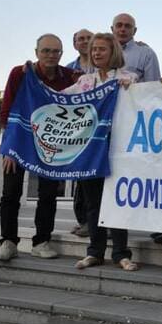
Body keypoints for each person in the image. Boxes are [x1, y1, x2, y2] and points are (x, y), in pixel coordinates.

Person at [0, 34, 79, 262]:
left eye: (56, 51)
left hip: (50, 143)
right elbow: (6, 110)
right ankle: (8, 242)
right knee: (11, 192)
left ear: (62, 54)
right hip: (19, 141)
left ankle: (42, 241)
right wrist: (9, 146)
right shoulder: (20, 74)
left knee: (48, 194)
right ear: (36, 52)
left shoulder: (70, 77)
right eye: (46, 50)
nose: (51, 55)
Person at [67, 33, 139, 272]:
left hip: (117, 148)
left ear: (113, 52)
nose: (96, 53)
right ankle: (95, 252)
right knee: (93, 202)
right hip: (89, 149)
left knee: (116, 199)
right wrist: (34, 83)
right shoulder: (84, 82)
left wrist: (133, 90)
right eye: (94, 49)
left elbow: (145, 99)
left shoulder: (129, 78)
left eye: (102, 49)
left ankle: (121, 253)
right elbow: (63, 99)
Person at [66, 28, 94, 237]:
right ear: (75, 44)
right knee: (80, 177)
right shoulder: (68, 70)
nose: (85, 42)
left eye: (88, 38)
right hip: (78, 131)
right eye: (80, 39)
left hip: (99, 130)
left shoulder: (103, 65)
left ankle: (93, 221)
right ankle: (83, 219)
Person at [111, 13, 161, 83]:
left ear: (134, 31)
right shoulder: (99, 53)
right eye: (119, 25)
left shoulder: (147, 54)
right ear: (112, 29)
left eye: (127, 26)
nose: (123, 29)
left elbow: (153, 87)